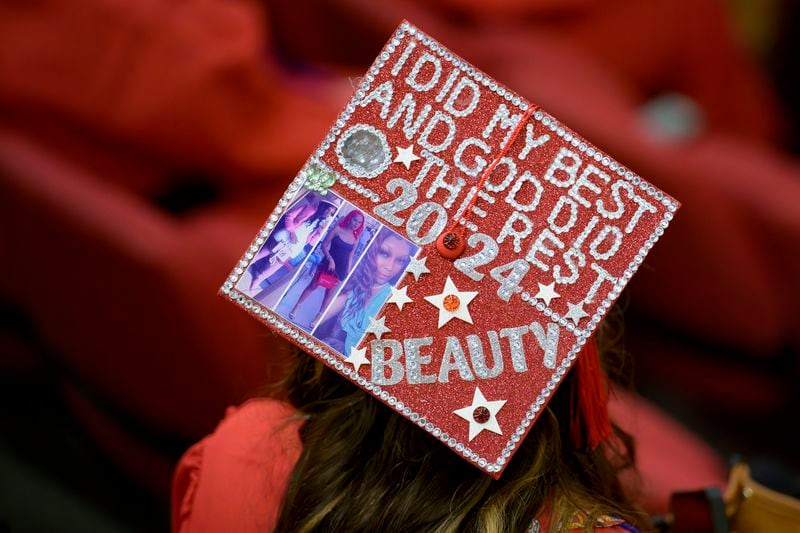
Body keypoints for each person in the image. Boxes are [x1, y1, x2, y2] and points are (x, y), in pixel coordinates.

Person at [314, 227, 415, 355]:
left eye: (400, 260)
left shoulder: (396, 298)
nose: (389, 267)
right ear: (372, 252)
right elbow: (324, 315)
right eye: (384, 253)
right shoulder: (358, 288)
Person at [288, 209, 364, 328]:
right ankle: (296, 306)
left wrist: (348, 271)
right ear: (350, 218)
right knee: (313, 286)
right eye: (355, 220)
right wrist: (330, 259)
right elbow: (324, 245)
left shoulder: (356, 238)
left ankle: (318, 316)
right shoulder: (337, 229)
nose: (356, 223)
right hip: (327, 264)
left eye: (359, 222)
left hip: (341, 269)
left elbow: (350, 256)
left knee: (328, 294)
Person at [249, 202, 337, 295]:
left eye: (331, 213)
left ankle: (257, 281)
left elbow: (312, 243)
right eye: (328, 209)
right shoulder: (309, 208)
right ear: (324, 206)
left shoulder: (322, 224)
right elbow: (289, 216)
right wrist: (292, 232)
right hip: (284, 237)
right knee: (261, 254)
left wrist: (320, 232)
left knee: (276, 266)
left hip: (296, 247)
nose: (328, 213)